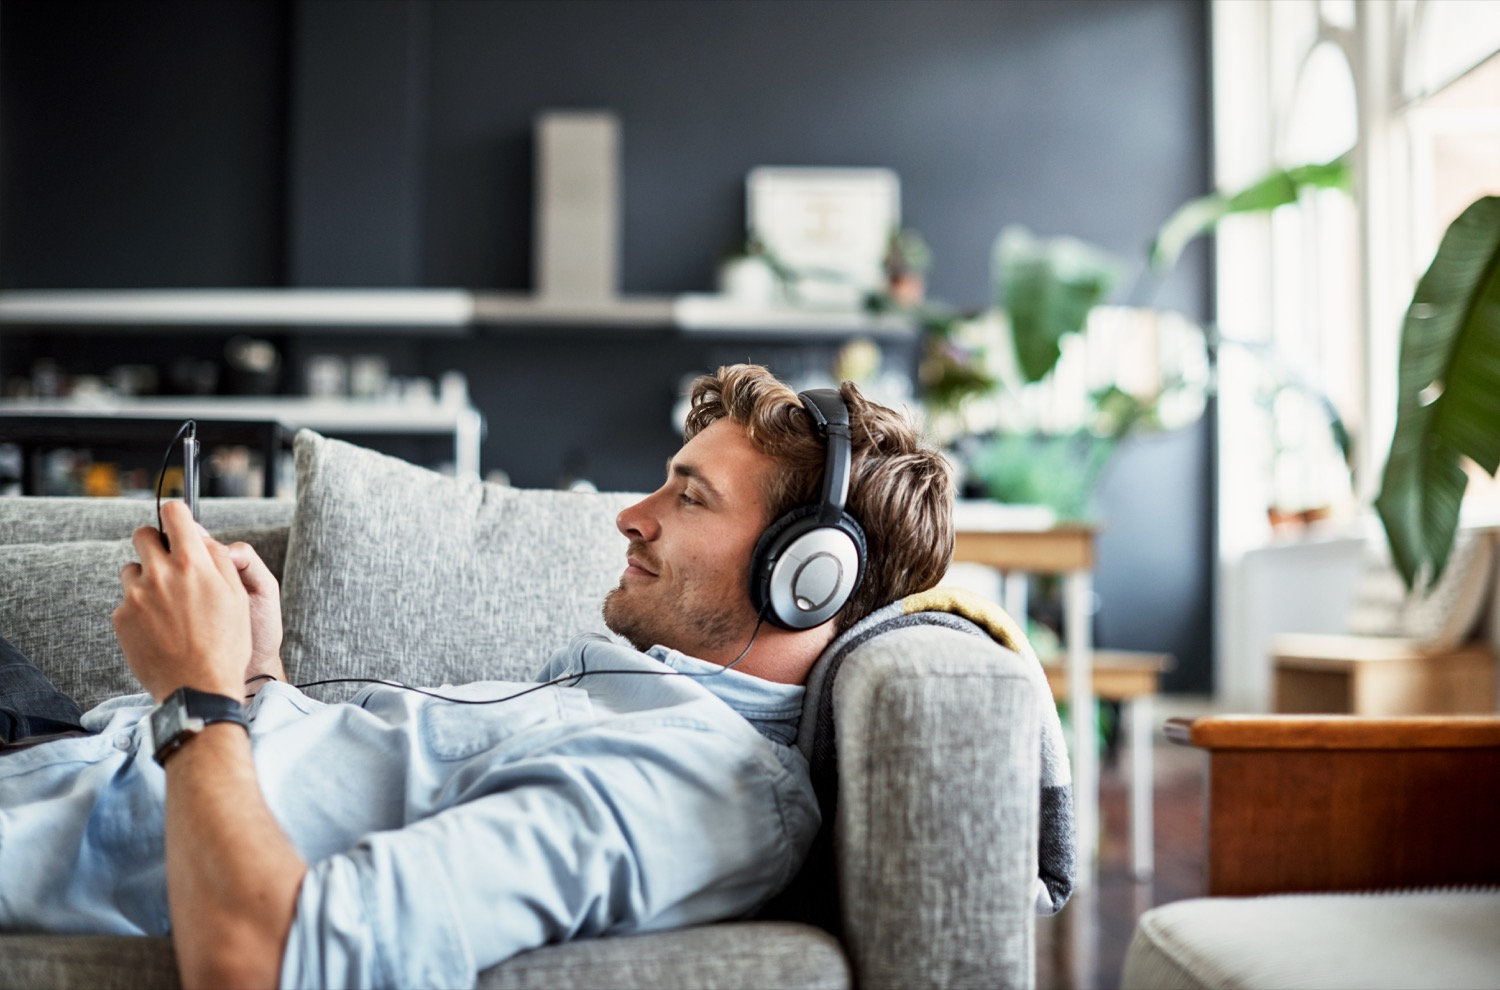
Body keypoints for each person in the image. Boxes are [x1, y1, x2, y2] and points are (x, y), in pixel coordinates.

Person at [0, 364, 955, 988]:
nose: (631, 513)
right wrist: (256, 679)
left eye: (689, 496)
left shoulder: (689, 784)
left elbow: (272, 958)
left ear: (805, 577)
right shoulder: (643, 704)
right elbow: (333, 792)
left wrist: (194, 697)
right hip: (67, 751)